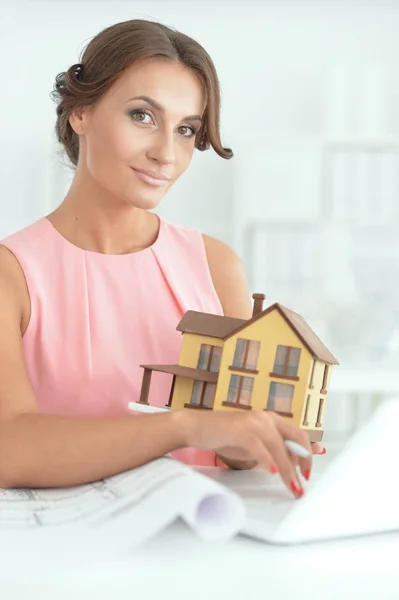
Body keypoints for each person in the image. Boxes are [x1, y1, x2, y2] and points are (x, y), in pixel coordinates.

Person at [0, 19, 324, 498]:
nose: (166, 153)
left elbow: (233, 451)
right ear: (80, 112)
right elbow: (10, 450)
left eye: (187, 129)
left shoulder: (216, 266)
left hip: (202, 542)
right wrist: (184, 427)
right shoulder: (14, 275)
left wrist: (250, 443)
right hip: (62, 556)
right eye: (142, 116)